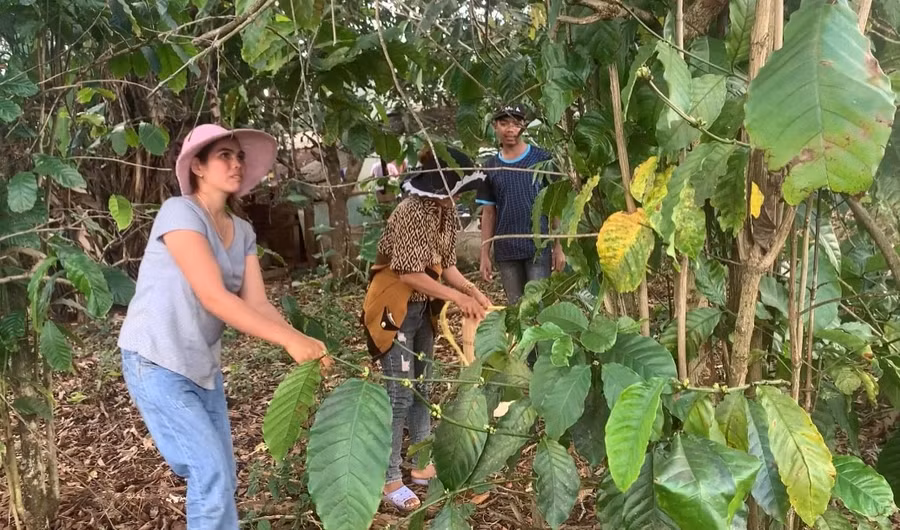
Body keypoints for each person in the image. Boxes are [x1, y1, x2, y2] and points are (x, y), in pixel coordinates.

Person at [118, 124, 331, 529]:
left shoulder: (243, 230)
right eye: (224, 156)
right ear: (197, 166)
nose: (236, 164)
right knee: (210, 471)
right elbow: (213, 296)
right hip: (156, 359)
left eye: (239, 157)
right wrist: (288, 341)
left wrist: (302, 340)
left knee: (221, 474)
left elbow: (257, 303)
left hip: (201, 368)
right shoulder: (179, 212)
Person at [361, 146, 492, 512]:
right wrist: (457, 296)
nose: (457, 197)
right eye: (454, 190)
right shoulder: (410, 212)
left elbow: (446, 265)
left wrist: (470, 290)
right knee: (399, 393)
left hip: (422, 311)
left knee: (422, 388)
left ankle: (421, 465)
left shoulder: (444, 214)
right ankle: (389, 478)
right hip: (392, 310)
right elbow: (409, 273)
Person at [477, 103, 566, 304]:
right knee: (516, 307)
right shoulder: (490, 168)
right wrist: (484, 254)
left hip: (537, 248)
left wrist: (558, 246)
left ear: (524, 126)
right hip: (506, 250)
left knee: (537, 306)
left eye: (516, 123)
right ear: (495, 126)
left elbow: (554, 205)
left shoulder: (543, 160)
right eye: (504, 123)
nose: (510, 129)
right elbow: (489, 213)